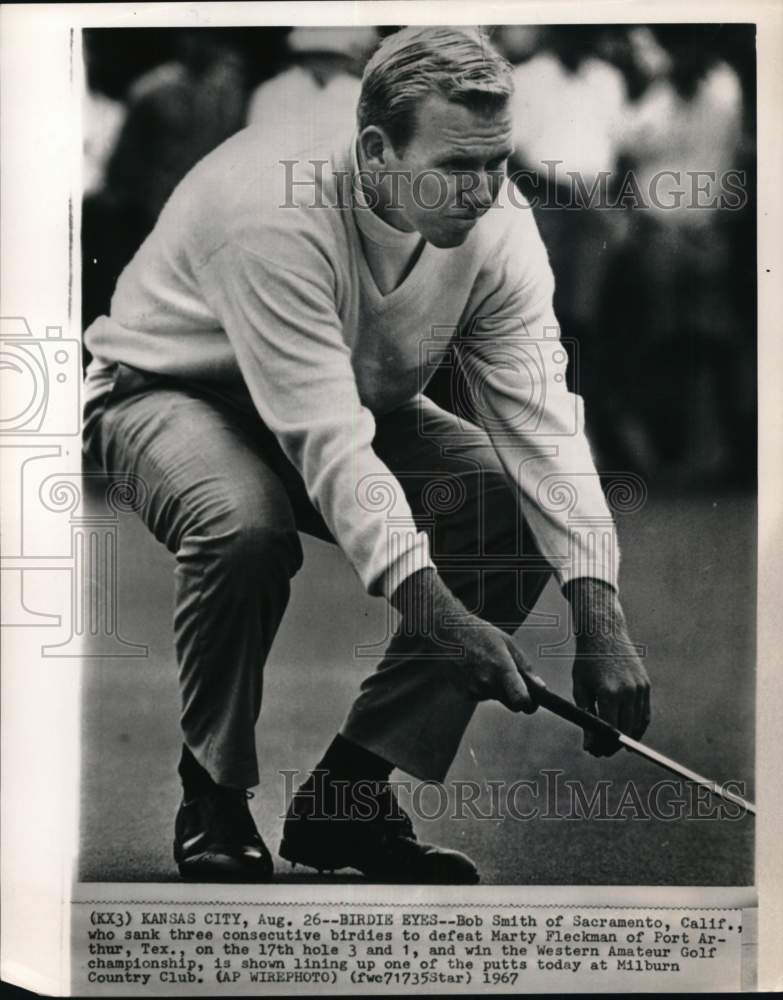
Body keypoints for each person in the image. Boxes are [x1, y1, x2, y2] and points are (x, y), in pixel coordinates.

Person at [82, 26, 650, 885]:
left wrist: (597, 610)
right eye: (457, 166)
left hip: (349, 401)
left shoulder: (498, 219)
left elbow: (543, 421)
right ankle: (214, 792)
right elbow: (331, 452)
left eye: (496, 159)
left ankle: (346, 798)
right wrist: (447, 620)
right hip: (168, 392)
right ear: (377, 149)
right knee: (245, 525)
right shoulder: (271, 210)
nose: (483, 189)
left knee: (507, 505)